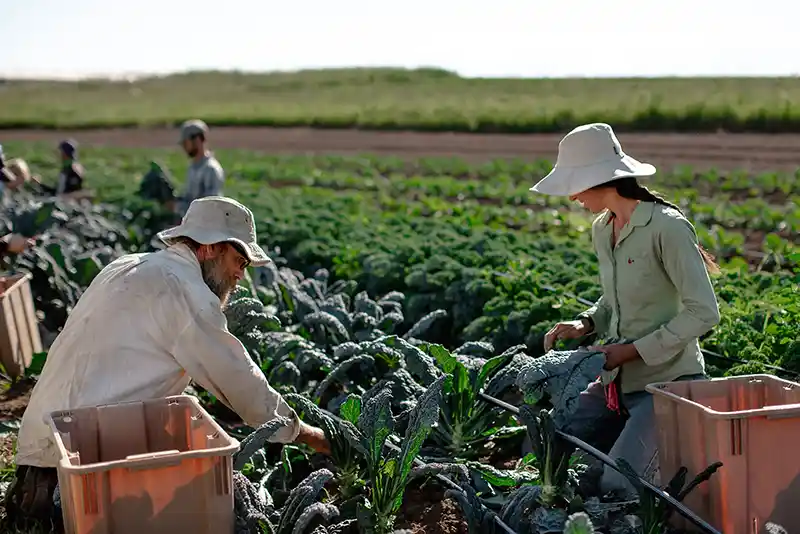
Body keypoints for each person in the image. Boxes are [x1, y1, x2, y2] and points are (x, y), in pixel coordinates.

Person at [5, 196, 330, 529]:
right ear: (210, 248)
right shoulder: (185, 291)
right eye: (239, 261)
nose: (240, 276)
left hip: (42, 451)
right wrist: (307, 434)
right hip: (78, 480)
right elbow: (241, 383)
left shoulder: (130, 264)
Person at [532, 123, 721, 497]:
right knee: (545, 448)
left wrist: (631, 352)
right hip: (614, 382)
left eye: (574, 185)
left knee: (619, 486)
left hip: (666, 383)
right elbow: (613, 300)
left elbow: (704, 313)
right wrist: (585, 322)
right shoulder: (604, 227)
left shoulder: (667, 228)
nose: (572, 198)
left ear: (600, 179)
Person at [178, 119, 225, 215]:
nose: (184, 147)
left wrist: (178, 207)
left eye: (186, 143)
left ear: (198, 140)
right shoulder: (192, 167)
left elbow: (210, 206)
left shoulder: (211, 169)